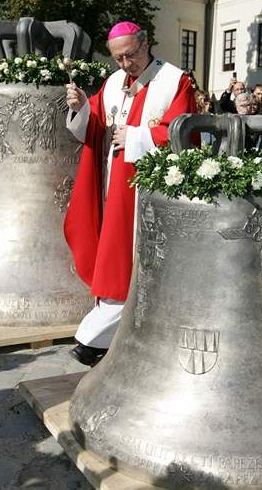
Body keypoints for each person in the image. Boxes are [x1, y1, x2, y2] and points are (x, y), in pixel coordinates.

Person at [64, 21, 197, 365]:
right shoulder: (111, 85)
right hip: (115, 188)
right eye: (118, 59)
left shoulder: (174, 80)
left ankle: (106, 337)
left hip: (149, 192)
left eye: (130, 55)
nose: (125, 64)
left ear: (145, 44)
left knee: (134, 261)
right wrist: (80, 107)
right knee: (116, 259)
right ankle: (107, 336)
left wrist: (139, 138)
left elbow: (186, 133)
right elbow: (93, 127)